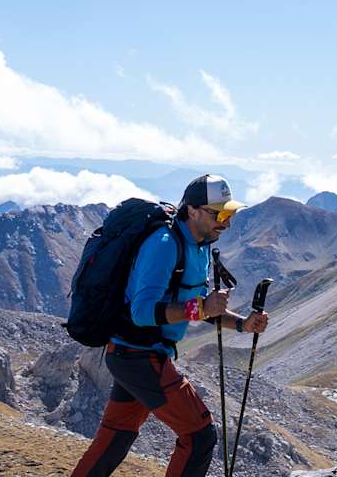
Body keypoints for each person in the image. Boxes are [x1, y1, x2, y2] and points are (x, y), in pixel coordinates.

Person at [72, 174, 270, 477]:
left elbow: (200, 305)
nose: (226, 222)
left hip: (134, 355)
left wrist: (243, 325)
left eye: (230, 213)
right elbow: (142, 312)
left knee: (116, 436)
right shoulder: (164, 244)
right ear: (192, 211)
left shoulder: (200, 245)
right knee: (200, 436)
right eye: (220, 214)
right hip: (138, 355)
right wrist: (201, 307)